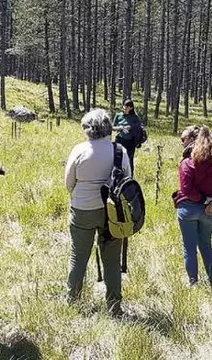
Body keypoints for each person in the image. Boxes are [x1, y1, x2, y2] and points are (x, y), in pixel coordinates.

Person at [64, 108, 131, 317]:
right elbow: (128, 180)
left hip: (83, 208)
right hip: (112, 211)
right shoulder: (119, 150)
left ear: (89, 129)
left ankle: (72, 300)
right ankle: (114, 306)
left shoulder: (79, 150)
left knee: (78, 256)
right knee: (112, 259)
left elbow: (68, 183)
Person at [173, 126, 212, 288]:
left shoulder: (187, 162)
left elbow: (186, 190)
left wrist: (202, 199)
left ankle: (193, 282)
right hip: (208, 210)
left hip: (188, 210)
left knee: (189, 247)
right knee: (206, 245)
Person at [112, 99, 142, 174]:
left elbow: (139, 128)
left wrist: (130, 127)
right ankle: (116, 175)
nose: (125, 107)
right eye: (124, 105)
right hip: (119, 140)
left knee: (128, 160)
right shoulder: (118, 115)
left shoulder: (135, 117)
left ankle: (129, 176)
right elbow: (113, 127)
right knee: (117, 158)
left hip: (130, 142)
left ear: (131, 108)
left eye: (127, 106)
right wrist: (120, 128)